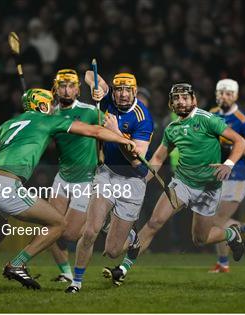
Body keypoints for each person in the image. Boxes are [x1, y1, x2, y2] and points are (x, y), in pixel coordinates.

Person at [0, 88, 137, 293]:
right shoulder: (48, 120)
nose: (53, 108)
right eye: (50, 104)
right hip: (6, 185)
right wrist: (125, 140)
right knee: (58, 224)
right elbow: (94, 131)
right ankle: (17, 264)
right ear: (43, 105)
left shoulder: (8, 124)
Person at [103, 83, 245, 286]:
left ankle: (231, 234)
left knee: (200, 239)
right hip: (182, 183)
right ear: (171, 103)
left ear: (193, 100)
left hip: (209, 188)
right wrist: (140, 180)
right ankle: (123, 269)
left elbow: (240, 141)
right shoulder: (172, 129)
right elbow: (158, 158)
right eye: (177, 98)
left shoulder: (208, 120)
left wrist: (229, 164)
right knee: (154, 223)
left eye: (185, 97)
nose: (181, 102)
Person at [65, 72, 153, 293]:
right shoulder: (108, 100)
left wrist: (115, 133)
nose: (122, 95)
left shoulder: (143, 118)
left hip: (133, 181)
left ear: (135, 91)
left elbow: (137, 162)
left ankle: (131, 237)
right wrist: (96, 87)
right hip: (107, 174)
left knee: (113, 251)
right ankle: (76, 282)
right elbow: (88, 74)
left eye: (127, 90)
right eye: (118, 90)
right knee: (90, 231)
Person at [47, 69, 103, 283]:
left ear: (78, 89)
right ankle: (66, 273)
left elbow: (111, 130)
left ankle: (99, 225)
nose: (67, 90)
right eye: (62, 86)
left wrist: (101, 93)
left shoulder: (90, 111)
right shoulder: (51, 114)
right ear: (56, 88)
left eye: (71, 86)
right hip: (62, 178)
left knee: (68, 234)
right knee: (49, 230)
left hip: (85, 181)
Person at [208, 78, 245, 273]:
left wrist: (232, 148)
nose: (224, 96)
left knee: (216, 221)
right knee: (215, 220)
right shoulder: (211, 114)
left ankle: (225, 260)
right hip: (216, 175)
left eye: (229, 93)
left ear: (236, 96)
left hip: (237, 176)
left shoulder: (242, 120)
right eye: (221, 93)